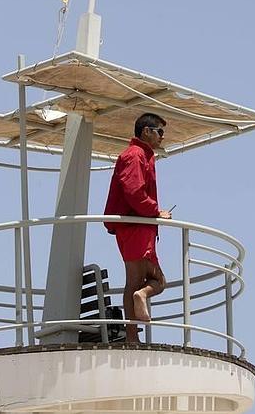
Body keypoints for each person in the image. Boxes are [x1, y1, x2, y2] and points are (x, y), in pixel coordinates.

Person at [104, 112, 171, 342]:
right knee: (136, 282)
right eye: (160, 132)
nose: (162, 137)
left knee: (157, 281)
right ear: (146, 132)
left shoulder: (141, 155)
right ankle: (132, 336)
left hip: (138, 226)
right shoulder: (135, 155)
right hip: (135, 226)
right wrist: (155, 211)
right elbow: (134, 192)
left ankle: (139, 303)